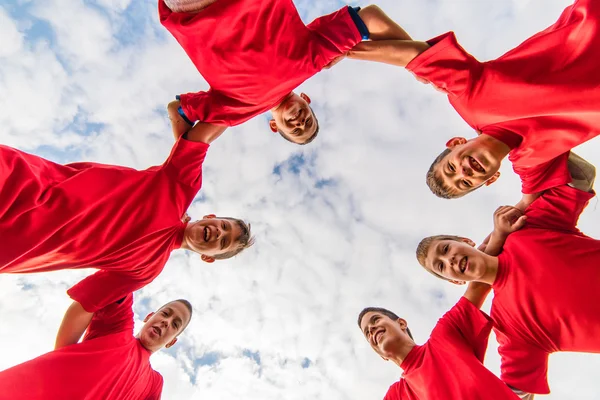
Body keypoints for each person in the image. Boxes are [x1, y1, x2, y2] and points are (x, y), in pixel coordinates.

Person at [0, 112, 254, 315]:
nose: (219, 232)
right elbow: (202, 130)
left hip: (12, 247)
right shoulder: (179, 187)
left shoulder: (146, 271)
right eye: (223, 225)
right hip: (19, 181)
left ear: (208, 258)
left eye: (223, 241)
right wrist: (263, 95)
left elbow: (84, 307)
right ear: (210, 217)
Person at [343, 0, 600, 200]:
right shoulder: (530, 163)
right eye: (465, 183)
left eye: (451, 168)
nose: (464, 173)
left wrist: (342, 50)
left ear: (456, 143)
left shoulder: (471, 101)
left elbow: (414, 55)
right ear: (490, 179)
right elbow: (527, 206)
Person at [416, 153, 598, 395]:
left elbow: (580, 176)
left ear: (466, 241)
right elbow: (516, 393)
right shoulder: (508, 328)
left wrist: (502, 147)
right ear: (456, 280)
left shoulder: (525, 228)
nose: (449, 259)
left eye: (446, 249)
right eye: (441, 266)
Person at [159, 1, 412, 144]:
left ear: (274, 125)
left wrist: (176, 173)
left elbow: (177, 111)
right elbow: (370, 18)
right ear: (307, 99)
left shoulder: (238, 110)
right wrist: (417, 61)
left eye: (296, 130)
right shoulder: (314, 60)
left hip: (195, 7)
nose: (301, 123)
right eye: (309, 121)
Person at [0, 293, 192, 399]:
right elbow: (123, 278)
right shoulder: (118, 326)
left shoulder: (153, 384)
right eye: (166, 314)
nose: (167, 322)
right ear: (150, 316)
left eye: (175, 324)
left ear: (171, 341)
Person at [358, 297, 524, 399]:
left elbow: (481, 278)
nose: (371, 329)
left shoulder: (445, 335)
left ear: (401, 323)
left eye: (375, 320)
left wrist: (497, 238)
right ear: (381, 355)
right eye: (367, 333)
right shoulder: (396, 396)